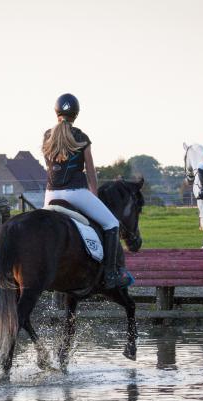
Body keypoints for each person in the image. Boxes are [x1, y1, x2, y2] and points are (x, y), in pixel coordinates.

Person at [42, 93, 131, 289]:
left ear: (56, 112)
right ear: (76, 114)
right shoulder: (81, 136)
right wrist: (94, 195)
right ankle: (110, 275)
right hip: (76, 193)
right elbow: (91, 172)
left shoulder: (47, 136)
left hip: (50, 195)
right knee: (111, 224)